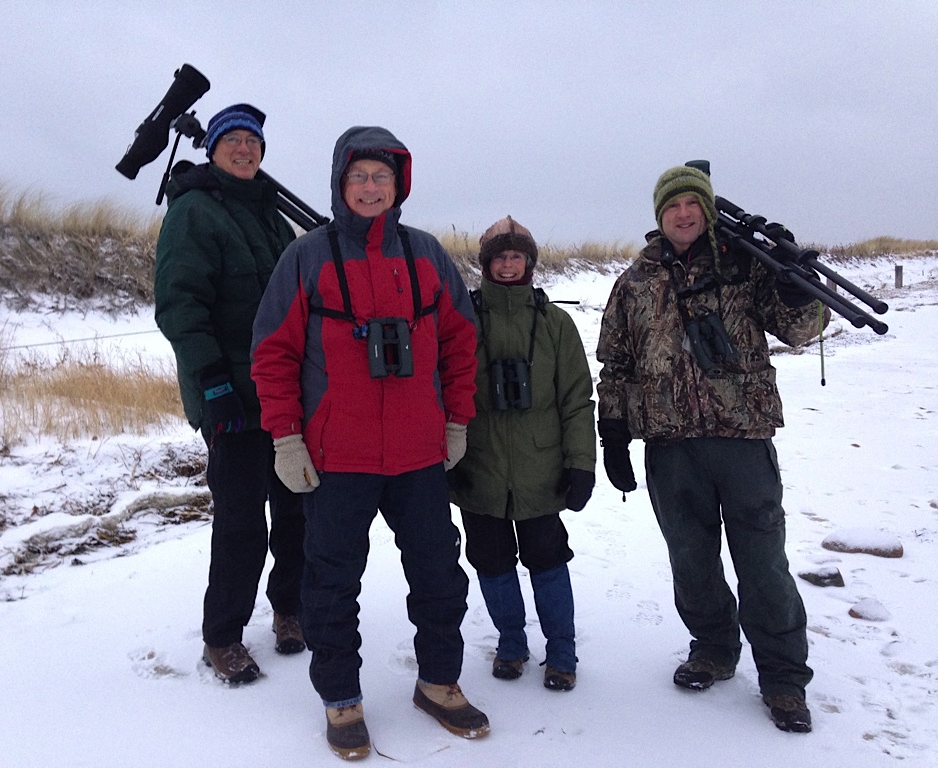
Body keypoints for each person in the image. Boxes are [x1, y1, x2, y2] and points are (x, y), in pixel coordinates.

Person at [251, 125, 488, 760]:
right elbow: (272, 355)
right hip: (337, 458)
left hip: (419, 455)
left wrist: (456, 420)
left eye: (382, 176)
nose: (370, 187)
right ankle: (340, 699)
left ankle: (439, 683)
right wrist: (287, 438)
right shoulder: (307, 257)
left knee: (440, 575)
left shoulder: (427, 255)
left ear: (399, 183)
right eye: (359, 176)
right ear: (339, 182)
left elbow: (462, 345)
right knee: (330, 583)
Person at [595, 165, 830, 733]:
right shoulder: (635, 281)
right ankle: (713, 647)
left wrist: (798, 291)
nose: (683, 215)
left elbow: (801, 331)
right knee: (691, 558)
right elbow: (616, 364)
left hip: (742, 438)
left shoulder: (747, 268)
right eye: (672, 206)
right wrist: (614, 433)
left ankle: (782, 678)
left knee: (763, 562)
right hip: (671, 445)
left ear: (704, 210)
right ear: (659, 215)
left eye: (691, 205)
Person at [154, 103, 306, 685]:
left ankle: (289, 609)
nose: (245, 149)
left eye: (253, 141)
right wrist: (214, 386)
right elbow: (180, 306)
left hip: (287, 393)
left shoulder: (268, 214)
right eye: (233, 141)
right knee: (243, 520)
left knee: (297, 509)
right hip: (235, 401)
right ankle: (223, 635)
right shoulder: (194, 212)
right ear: (213, 149)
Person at [448, 216, 595, 692]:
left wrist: (581, 464)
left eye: (517, 256)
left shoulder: (557, 324)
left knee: (548, 560)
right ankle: (511, 643)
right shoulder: (461, 322)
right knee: (490, 561)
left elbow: (576, 400)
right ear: (486, 263)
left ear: (529, 262)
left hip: (541, 472)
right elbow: (441, 393)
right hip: (479, 471)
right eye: (500, 257)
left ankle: (562, 652)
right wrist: (447, 462)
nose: (508, 265)